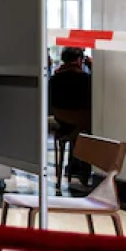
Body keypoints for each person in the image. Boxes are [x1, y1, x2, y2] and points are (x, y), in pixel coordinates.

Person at [50, 46, 93, 185]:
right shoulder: (84, 78)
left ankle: (73, 165)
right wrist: (92, 68)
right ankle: (81, 170)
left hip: (60, 117)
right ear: (80, 60)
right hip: (80, 119)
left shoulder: (55, 78)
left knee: (79, 127)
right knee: (88, 126)